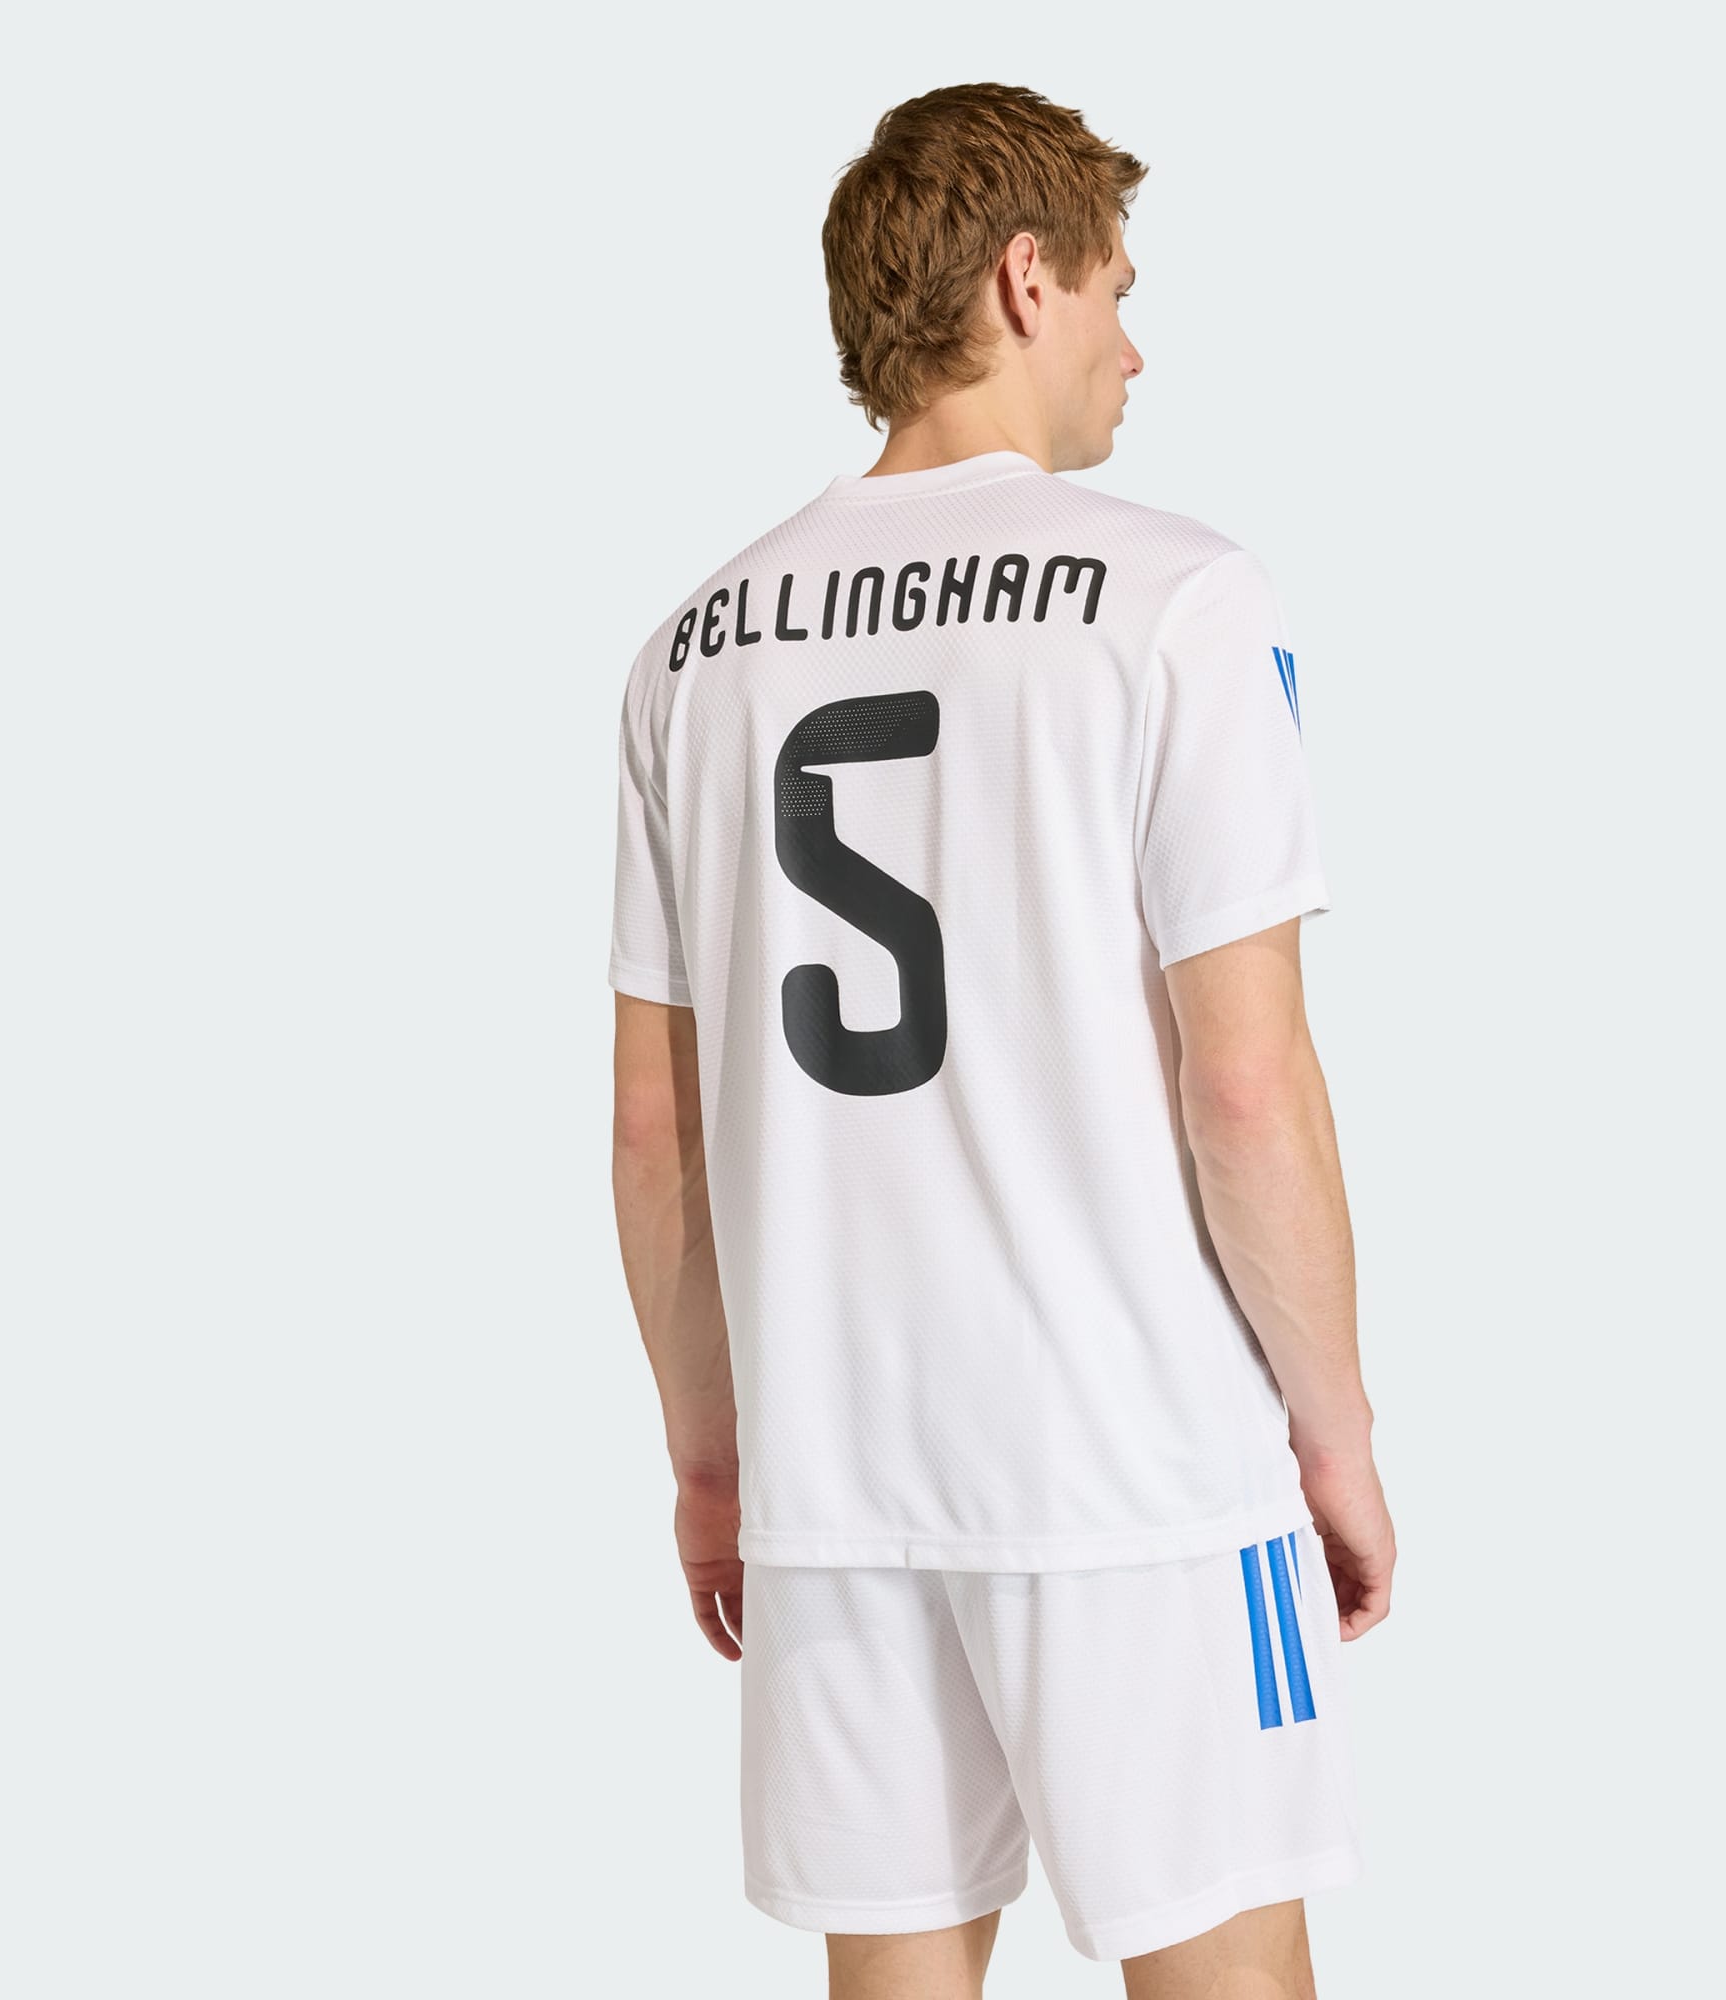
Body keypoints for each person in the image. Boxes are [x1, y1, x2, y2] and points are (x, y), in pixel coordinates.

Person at [609, 81, 1394, 2000]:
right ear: (1026, 278)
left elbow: (656, 1134)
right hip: (1134, 1463)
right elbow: (1244, 1085)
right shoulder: (1180, 598)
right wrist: (1337, 1430)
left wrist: (711, 1460)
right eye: (1120, 288)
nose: (1136, 345)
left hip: (831, 1470)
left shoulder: (692, 651)